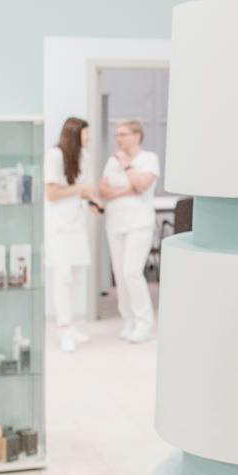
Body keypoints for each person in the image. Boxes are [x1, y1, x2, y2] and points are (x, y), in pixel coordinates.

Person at [97, 119, 161, 343]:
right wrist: (128, 189)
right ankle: (129, 320)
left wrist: (126, 167)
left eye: (123, 134)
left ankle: (144, 323)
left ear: (137, 136)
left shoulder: (149, 159)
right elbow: (104, 190)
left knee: (131, 272)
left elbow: (143, 186)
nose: (118, 139)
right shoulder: (111, 161)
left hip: (139, 223)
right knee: (120, 276)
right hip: (115, 224)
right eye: (117, 135)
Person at [43, 117, 99, 353]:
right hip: (59, 227)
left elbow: (81, 191)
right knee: (62, 277)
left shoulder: (83, 157)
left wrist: (93, 202)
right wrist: (81, 190)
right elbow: (52, 193)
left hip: (76, 224)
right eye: (85, 136)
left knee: (76, 277)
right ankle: (63, 329)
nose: (89, 139)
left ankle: (72, 324)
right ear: (74, 135)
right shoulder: (54, 156)